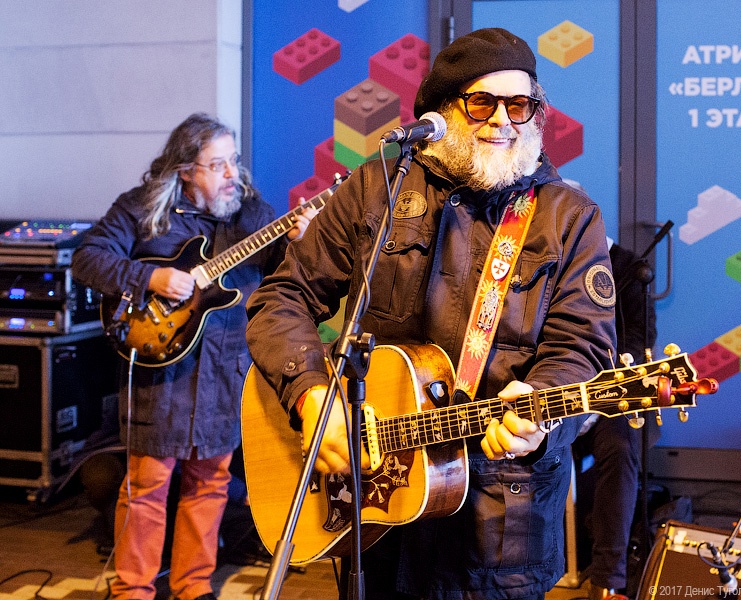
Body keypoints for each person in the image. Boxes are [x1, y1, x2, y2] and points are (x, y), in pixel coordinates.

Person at [245, 28, 618, 599]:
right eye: (483, 103)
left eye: (521, 105)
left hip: (500, 530)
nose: (503, 121)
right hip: (374, 515)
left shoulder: (569, 216)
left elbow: (583, 349)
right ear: (441, 112)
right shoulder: (377, 188)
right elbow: (282, 298)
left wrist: (539, 408)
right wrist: (313, 400)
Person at [71, 112, 319, 600]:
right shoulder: (142, 209)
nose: (232, 175)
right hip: (161, 372)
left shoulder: (250, 212)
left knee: (211, 483)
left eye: (234, 162)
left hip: (224, 370)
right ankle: (133, 590)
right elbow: (88, 257)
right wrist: (150, 279)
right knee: (147, 487)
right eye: (217, 164)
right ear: (186, 170)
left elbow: (280, 272)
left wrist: (298, 238)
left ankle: (193, 585)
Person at [573, 237, 658, 600]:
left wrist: (597, 389)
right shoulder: (545, 259)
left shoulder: (628, 268)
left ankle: (608, 581)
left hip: (613, 392)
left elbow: (640, 341)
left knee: (620, 450)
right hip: (552, 391)